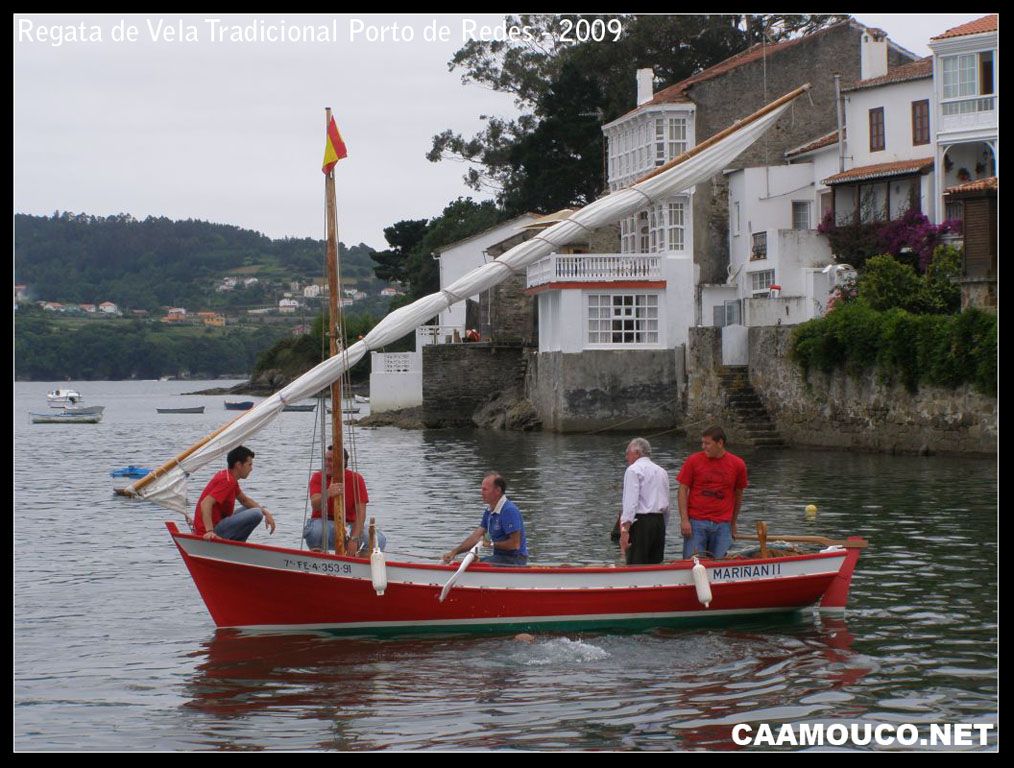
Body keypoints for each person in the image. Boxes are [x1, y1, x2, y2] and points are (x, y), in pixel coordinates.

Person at [677, 426, 748, 560]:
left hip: (723, 524)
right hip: (696, 522)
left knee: (721, 566)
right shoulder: (693, 460)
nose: (703, 447)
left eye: (707, 443)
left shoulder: (738, 464)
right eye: (702, 443)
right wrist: (684, 520)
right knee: (693, 563)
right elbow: (682, 489)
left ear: (720, 443)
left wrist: (733, 523)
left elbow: (739, 494)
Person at [305, 445, 383, 555]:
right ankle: (319, 560)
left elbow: (361, 514)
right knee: (316, 531)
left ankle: (357, 564)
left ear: (343, 462)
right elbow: (315, 505)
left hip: (349, 526)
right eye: (325, 460)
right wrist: (328, 493)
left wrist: (354, 538)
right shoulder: (318, 477)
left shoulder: (356, 479)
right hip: (324, 524)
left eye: (330, 460)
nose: (326, 463)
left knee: (378, 539)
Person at [442, 472, 528, 566]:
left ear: (498, 490)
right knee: (471, 563)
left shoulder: (509, 511)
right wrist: (454, 552)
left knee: (476, 565)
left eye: (485, 489)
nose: (481, 492)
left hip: (515, 560)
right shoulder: (489, 511)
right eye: (481, 489)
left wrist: (491, 544)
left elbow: (515, 544)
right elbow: (475, 537)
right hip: (499, 557)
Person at [192, 445, 275, 542]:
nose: (251, 469)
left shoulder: (229, 477)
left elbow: (244, 500)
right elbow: (205, 503)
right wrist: (209, 531)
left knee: (254, 509)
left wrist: (266, 513)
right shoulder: (227, 481)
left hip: (216, 525)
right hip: (210, 532)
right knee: (256, 513)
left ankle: (237, 545)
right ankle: (237, 544)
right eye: (249, 465)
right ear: (239, 465)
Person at [618, 437, 670, 565]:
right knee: (656, 564)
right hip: (659, 522)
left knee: (636, 564)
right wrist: (664, 525)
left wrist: (625, 530)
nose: (626, 457)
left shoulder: (633, 470)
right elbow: (667, 503)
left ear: (637, 452)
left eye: (627, 453)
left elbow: (631, 502)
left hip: (641, 523)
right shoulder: (662, 471)